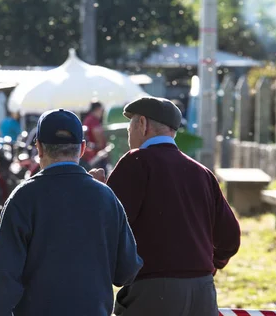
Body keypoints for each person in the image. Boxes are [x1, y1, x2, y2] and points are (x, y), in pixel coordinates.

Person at [89, 96, 241, 316]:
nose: (129, 132)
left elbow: (108, 227)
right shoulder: (202, 173)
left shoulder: (136, 162)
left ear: (143, 124)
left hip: (153, 289)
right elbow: (230, 238)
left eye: (130, 125)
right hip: (203, 291)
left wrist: (99, 192)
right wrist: (202, 266)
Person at [0, 108, 143, 316]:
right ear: (82, 148)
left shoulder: (22, 198)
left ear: (39, 148)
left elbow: (2, 279)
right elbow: (126, 271)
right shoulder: (106, 197)